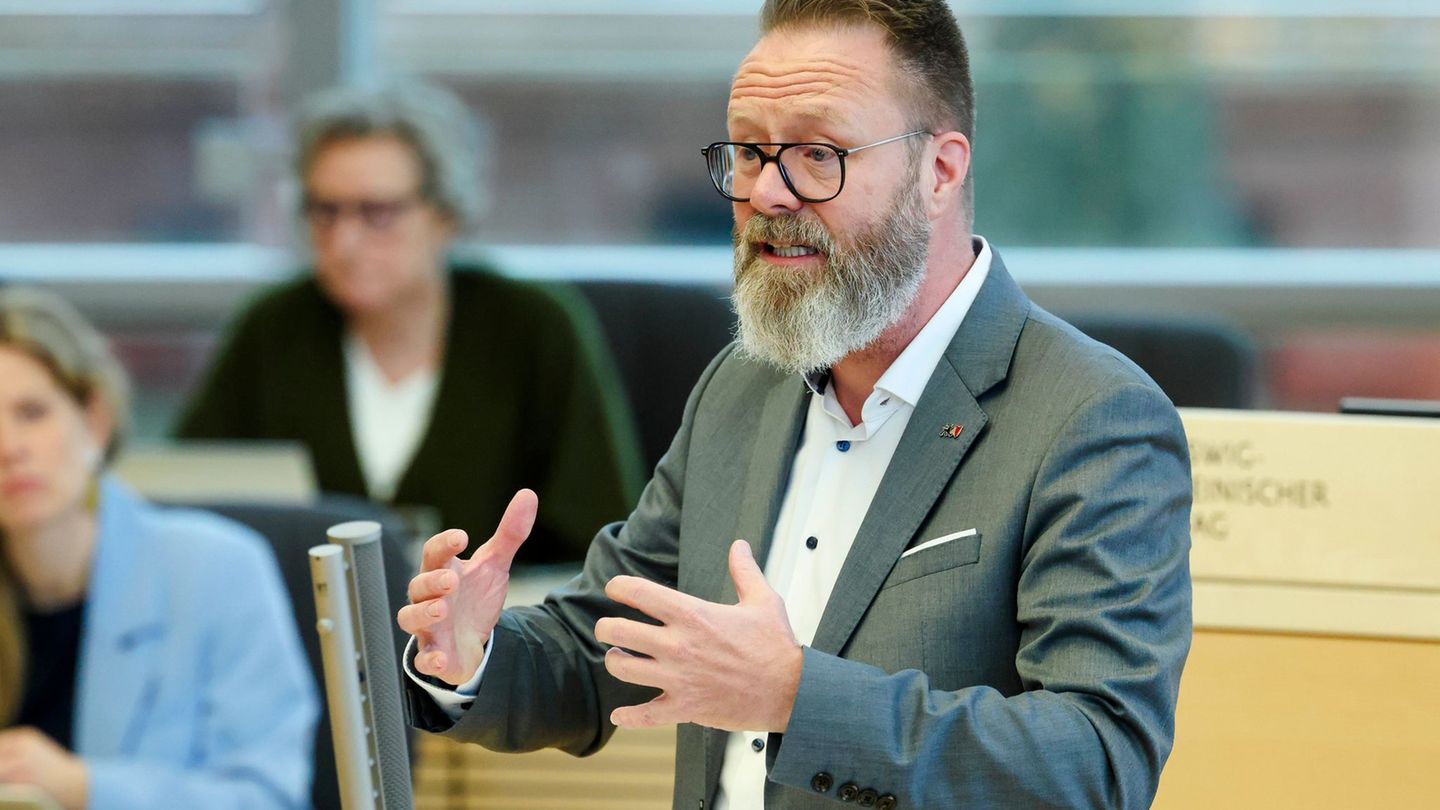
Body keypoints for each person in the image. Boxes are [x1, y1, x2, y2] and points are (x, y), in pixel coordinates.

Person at [399, 2, 1193, 808]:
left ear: (939, 173)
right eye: (749, 151)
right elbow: (608, 645)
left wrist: (794, 697)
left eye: (818, 154)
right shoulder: (740, 387)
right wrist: (476, 655)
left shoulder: (1092, 416)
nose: (768, 194)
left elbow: (1097, 763)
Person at [177, 83, 645, 563]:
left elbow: (599, 539)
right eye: (324, 212)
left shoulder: (531, 327)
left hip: (498, 631)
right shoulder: (274, 329)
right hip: (308, 632)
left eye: (377, 214)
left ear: (446, 213)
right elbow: (188, 509)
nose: (344, 243)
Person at [0, 288, 316, 809]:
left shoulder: (218, 571)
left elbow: (269, 798)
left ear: (94, 422)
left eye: (32, 413)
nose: (10, 447)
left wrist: (86, 789)